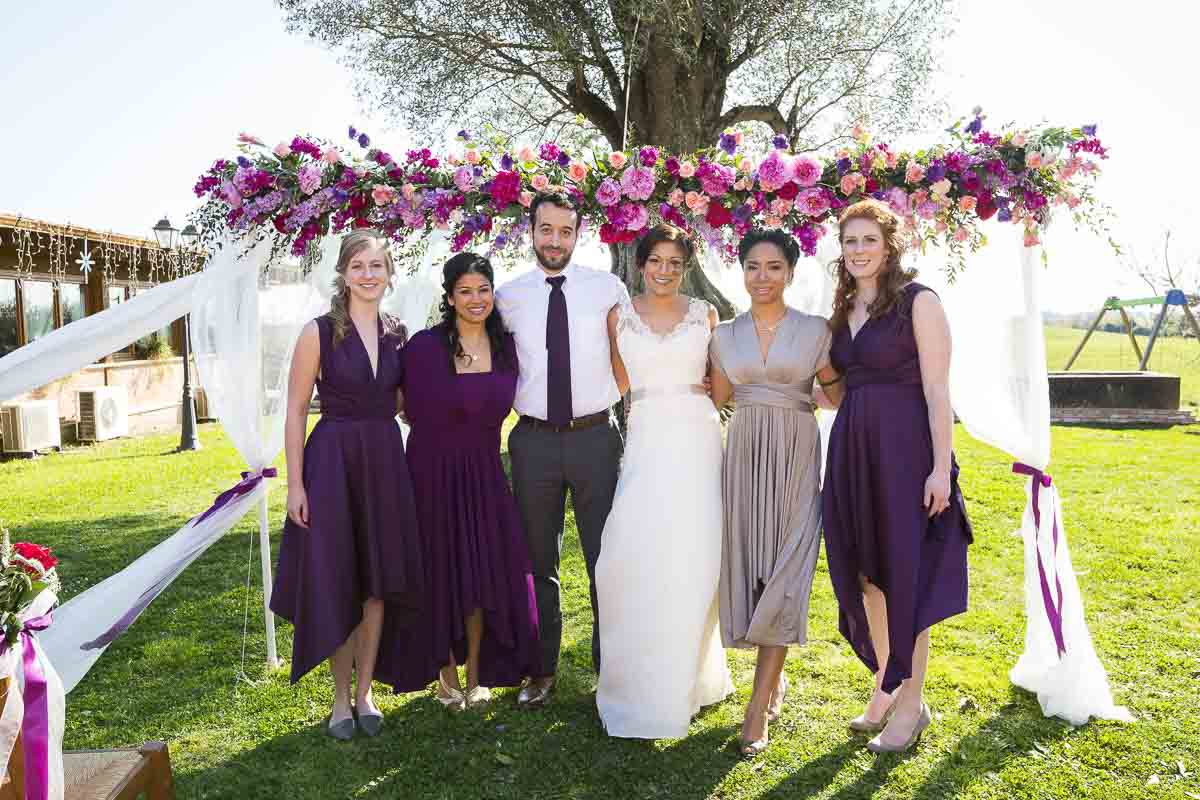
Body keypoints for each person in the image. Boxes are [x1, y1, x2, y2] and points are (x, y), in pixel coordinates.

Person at [821, 199, 973, 753]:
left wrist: (940, 467)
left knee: (904, 576)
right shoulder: (843, 310)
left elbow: (937, 390)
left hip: (908, 452)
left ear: (889, 245)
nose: (858, 250)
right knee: (866, 578)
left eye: (868, 240)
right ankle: (888, 683)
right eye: (850, 241)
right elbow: (835, 388)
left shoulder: (919, 301)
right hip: (853, 451)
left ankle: (911, 705)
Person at [271, 229, 423, 741]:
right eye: (358, 265)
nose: (367, 274)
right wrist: (296, 485)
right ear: (343, 272)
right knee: (341, 577)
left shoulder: (399, 332)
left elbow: (404, 401)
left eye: (376, 265)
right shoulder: (318, 332)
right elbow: (294, 412)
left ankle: (366, 693)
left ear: (389, 273)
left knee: (377, 581)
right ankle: (339, 699)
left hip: (384, 460)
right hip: (332, 460)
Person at [594, 224, 733, 739]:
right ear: (641, 262)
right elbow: (617, 382)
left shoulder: (705, 314)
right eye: (657, 260)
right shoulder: (619, 316)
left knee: (694, 556)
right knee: (630, 556)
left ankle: (688, 678)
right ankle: (637, 679)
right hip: (647, 440)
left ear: (686, 267)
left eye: (675, 262)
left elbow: (719, 386)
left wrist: (693, 400)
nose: (665, 271)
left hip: (696, 441)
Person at [709, 228, 844, 757]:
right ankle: (771, 679)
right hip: (742, 453)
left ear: (790, 272)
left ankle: (756, 707)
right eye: (752, 267)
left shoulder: (816, 330)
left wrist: (816, 388)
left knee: (789, 567)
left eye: (773, 267)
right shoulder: (722, 334)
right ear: (740, 272)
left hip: (795, 452)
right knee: (755, 568)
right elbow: (718, 397)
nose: (761, 277)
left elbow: (834, 394)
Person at [495, 191, 628, 707]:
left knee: (604, 558)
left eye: (565, 231)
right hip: (532, 441)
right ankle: (541, 670)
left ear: (578, 234)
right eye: (546, 230)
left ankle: (609, 669)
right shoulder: (508, 297)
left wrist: (609, 401)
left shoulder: (605, 287)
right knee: (537, 560)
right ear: (531, 231)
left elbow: (625, 356)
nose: (555, 241)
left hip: (596, 437)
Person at [391, 253, 540, 710]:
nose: (476, 300)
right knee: (440, 571)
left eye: (483, 290)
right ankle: (445, 674)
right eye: (465, 292)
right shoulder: (422, 347)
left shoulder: (508, 347)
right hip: (431, 473)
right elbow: (400, 404)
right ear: (450, 297)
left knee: (482, 573)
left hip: (484, 473)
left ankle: (477, 672)